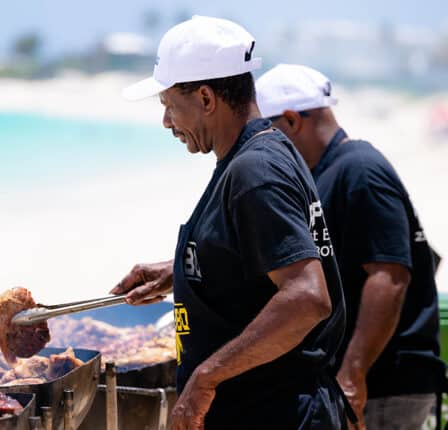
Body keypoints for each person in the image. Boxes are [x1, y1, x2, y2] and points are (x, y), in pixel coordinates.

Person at [111, 16, 350, 429]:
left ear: (206, 98)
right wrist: (183, 269)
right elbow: (259, 252)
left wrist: (206, 378)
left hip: (274, 414)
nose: (167, 122)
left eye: (169, 106)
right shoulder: (260, 153)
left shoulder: (255, 171)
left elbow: (308, 297)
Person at [255, 64, 444, 430]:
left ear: (292, 121)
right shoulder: (325, 173)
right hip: (368, 381)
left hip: (384, 383)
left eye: (267, 132)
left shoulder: (359, 169)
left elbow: (389, 276)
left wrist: (352, 374)